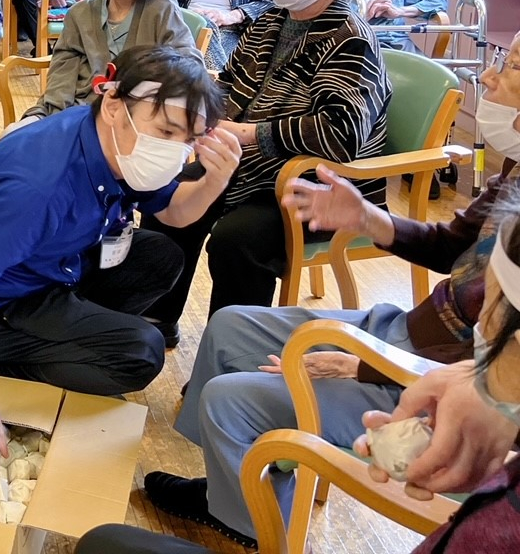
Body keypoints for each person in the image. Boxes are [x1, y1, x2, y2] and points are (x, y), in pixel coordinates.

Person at [76, 139, 520, 554]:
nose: (496, 88)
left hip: (427, 375)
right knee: (230, 326)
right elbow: (451, 247)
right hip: (412, 331)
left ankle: (250, 524)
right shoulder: (515, 169)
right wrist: (367, 218)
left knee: (227, 398)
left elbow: (493, 375)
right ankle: (226, 490)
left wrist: (364, 365)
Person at [0, 45, 243, 484]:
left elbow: (175, 212)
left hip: (56, 263)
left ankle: (58, 340)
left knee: (162, 258)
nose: (175, 151)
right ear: (113, 104)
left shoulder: (112, 141)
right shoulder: (39, 186)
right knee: (140, 353)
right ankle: (6, 360)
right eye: (166, 132)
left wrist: (215, 180)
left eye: (189, 139)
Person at [143, 0, 391, 346]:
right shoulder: (272, 21)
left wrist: (249, 134)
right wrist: (196, 112)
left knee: (237, 239)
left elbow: (340, 133)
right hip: (249, 167)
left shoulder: (351, 39)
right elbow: (229, 84)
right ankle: (155, 319)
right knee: (167, 195)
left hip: (319, 187)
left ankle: (230, 352)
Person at [14, 0, 194, 127]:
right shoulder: (80, 13)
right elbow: (62, 72)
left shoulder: (160, 9)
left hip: (137, 117)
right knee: (15, 133)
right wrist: (54, 118)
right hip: (80, 109)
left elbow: (188, 64)